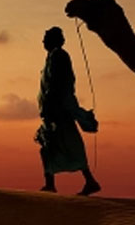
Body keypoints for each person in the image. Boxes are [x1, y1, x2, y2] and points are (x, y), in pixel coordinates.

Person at [34, 26, 100, 195]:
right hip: (53, 109)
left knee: (67, 143)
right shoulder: (52, 57)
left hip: (58, 109)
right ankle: (51, 183)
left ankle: (87, 181)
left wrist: (51, 106)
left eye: (46, 38)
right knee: (48, 145)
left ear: (54, 40)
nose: (43, 42)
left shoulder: (59, 56)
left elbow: (57, 84)